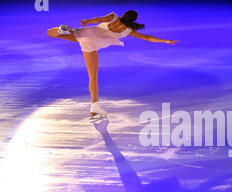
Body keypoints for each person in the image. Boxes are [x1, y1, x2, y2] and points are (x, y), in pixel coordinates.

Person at [47, 10, 178, 119]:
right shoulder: (128, 30)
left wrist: (87, 21)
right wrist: (165, 41)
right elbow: (147, 37)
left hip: (87, 32)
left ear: (124, 15)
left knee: (51, 33)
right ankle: (94, 105)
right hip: (92, 42)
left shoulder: (113, 17)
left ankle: (61, 30)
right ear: (133, 20)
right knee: (93, 75)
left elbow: (98, 19)